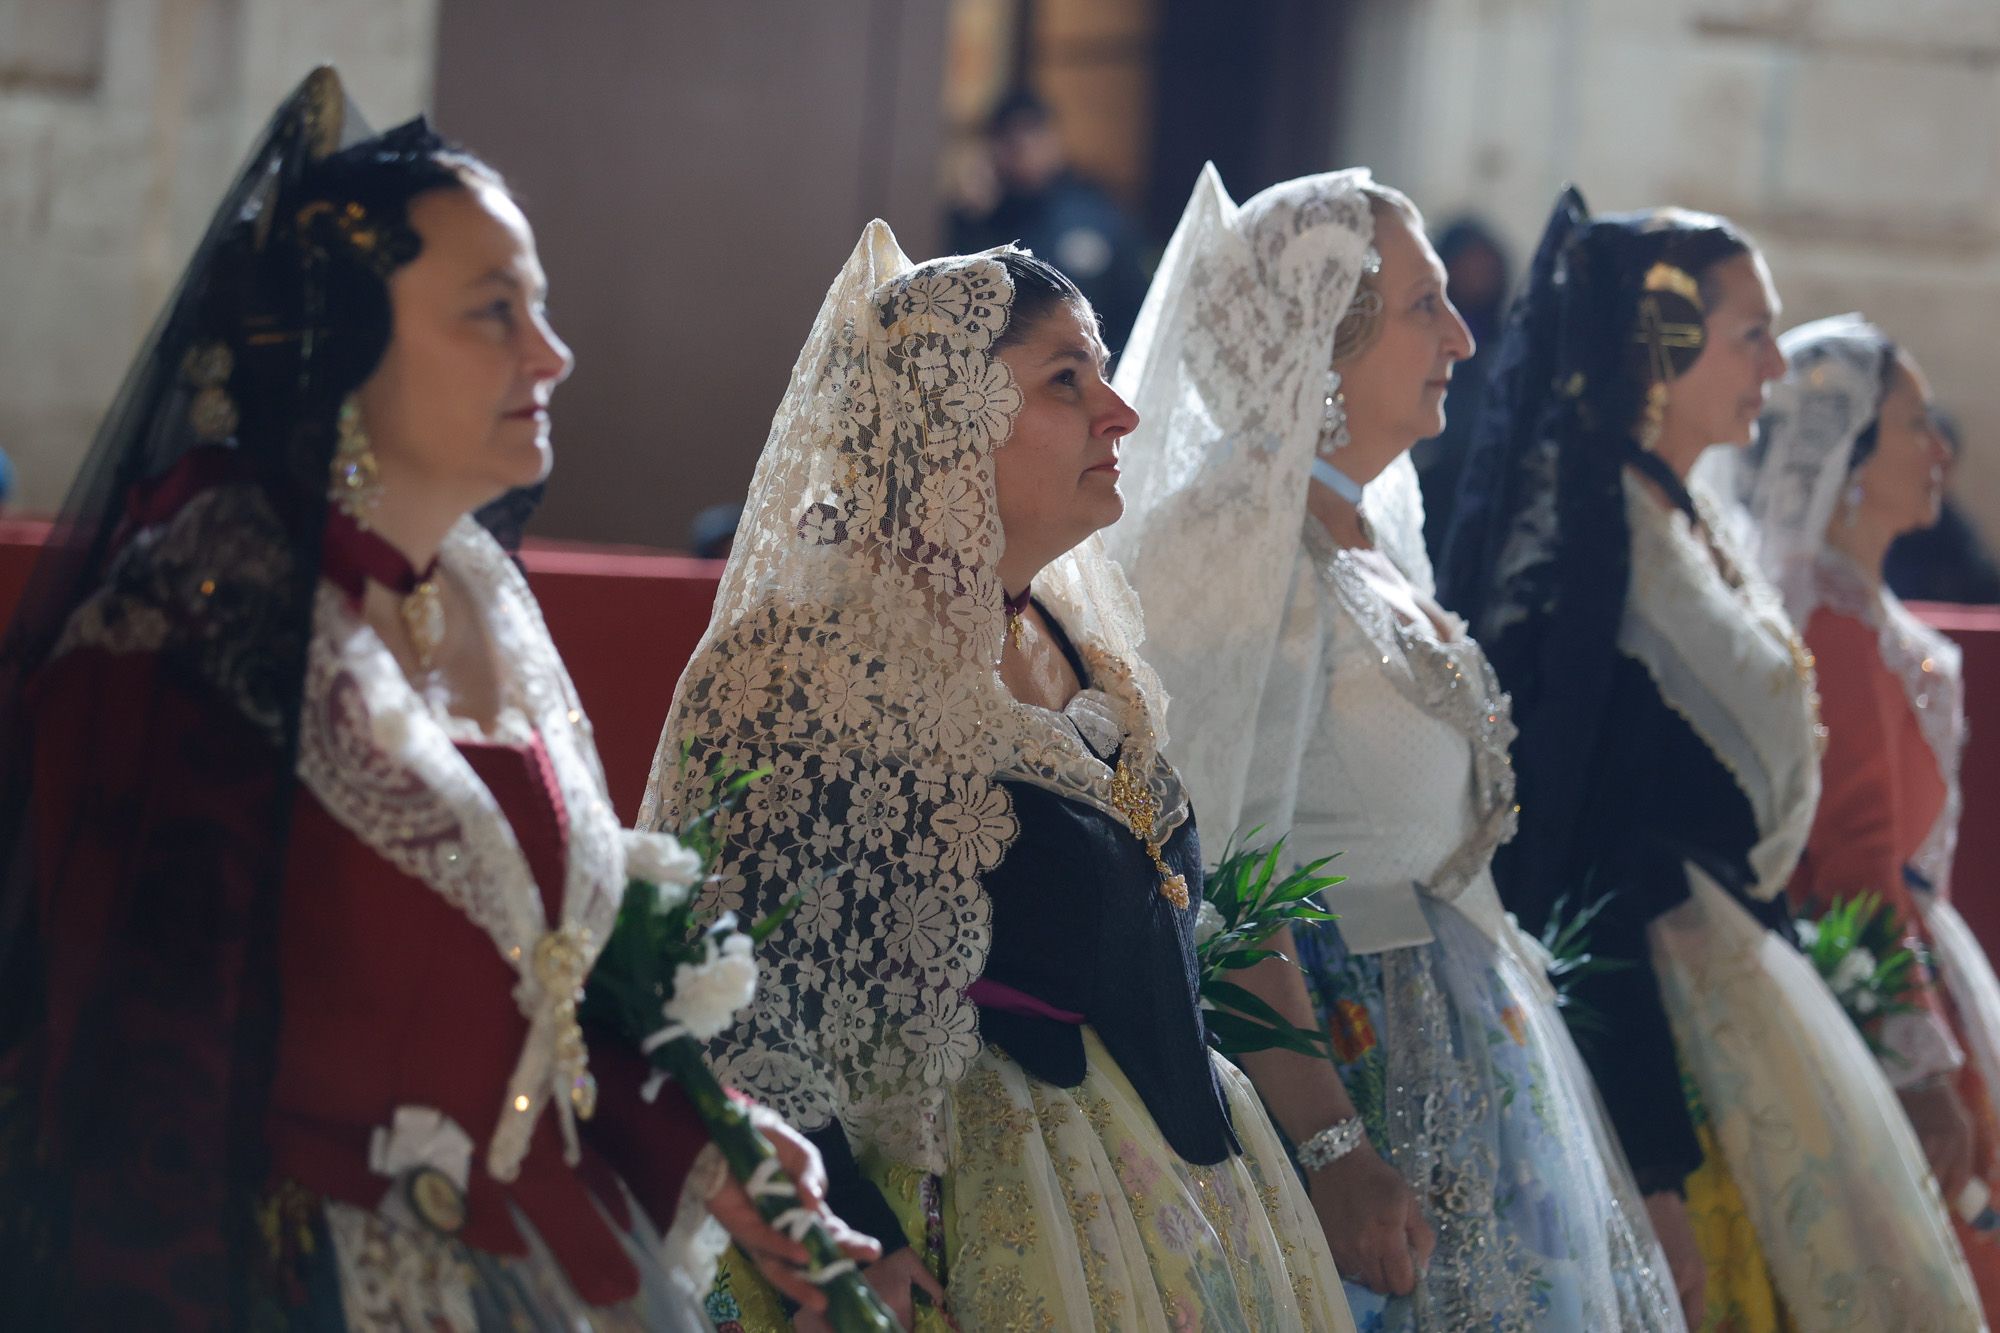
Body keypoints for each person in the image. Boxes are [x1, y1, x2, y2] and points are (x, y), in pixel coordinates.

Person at [0, 68, 875, 1329]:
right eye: (490, 312)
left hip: (540, 1265)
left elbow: (535, 1014)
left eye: (542, 305)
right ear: (335, 346)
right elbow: (131, 1098)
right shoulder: (186, 642)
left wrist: (701, 1145)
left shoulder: (476, 594)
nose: (552, 352)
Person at [642, 224, 1350, 1330]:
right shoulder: (801, 662)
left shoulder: (1078, 640)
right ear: (941, 418)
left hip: (1160, 1175)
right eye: (1066, 380)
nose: (1116, 413)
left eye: (1105, 374)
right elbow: (722, 966)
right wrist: (835, 1226)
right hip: (950, 1209)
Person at [1104, 164, 1681, 1331]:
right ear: (1323, 338)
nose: (1463, 339)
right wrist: (1329, 1143)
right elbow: (1215, 872)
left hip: (1447, 1018)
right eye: (1426, 308)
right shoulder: (1229, 549)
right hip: (1341, 1046)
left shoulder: (1358, 535)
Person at [1439, 189, 1981, 1332]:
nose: (1774, 369)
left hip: (1738, 981)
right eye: (1749, 335)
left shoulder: (1677, 520)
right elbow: (1581, 860)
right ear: (1655, 347)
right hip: (1659, 1039)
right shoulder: (1594, 555)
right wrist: (1650, 1159)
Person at [1704, 313, 2000, 1318]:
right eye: (1917, 425)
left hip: (1913, 963)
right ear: (1850, 461)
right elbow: (1856, 862)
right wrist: (1918, 1060)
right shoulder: (1827, 630)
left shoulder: (1863, 616)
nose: (1942, 451)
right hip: (1870, 990)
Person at [948, 89, 1152, 351]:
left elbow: (1136, 307)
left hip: (1089, 369)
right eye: (1010, 138)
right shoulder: (981, 219)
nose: (1024, 148)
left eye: (1034, 133)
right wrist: (971, 218)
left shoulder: (1095, 215)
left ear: (1053, 138)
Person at [1410, 216, 1508, 565]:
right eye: (1469, 265)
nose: (1477, 275)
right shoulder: (1419, 342)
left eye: (1485, 266)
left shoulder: (1502, 346)